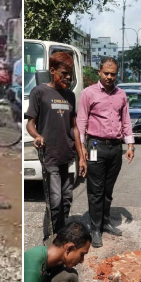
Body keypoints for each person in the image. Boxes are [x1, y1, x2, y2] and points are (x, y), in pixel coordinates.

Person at [25, 52, 86, 242]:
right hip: (49, 156)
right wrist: (37, 136)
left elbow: (74, 127)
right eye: (64, 73)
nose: (67, 77)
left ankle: (62, 234)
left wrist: (82, 155)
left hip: (67, 156)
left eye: (70, 74)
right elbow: (30, 123)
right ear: (52, 71)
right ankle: (49, 239)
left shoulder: (69, 95)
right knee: (55, 201)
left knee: (67, 199)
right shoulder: (39, 92)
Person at [76, 57, 135, 248]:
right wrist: (82, 147)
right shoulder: (88, 93)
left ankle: (106, 221)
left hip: (115, 146)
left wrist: (130, 144)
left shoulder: (121, 95)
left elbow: (125, 120)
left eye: (113, 74)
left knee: (108, 189)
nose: (109, 77)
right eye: (106, 73)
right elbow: (81, 121)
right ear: (99, 72)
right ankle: (95, 228)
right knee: (95, 189)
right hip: (94, 145)